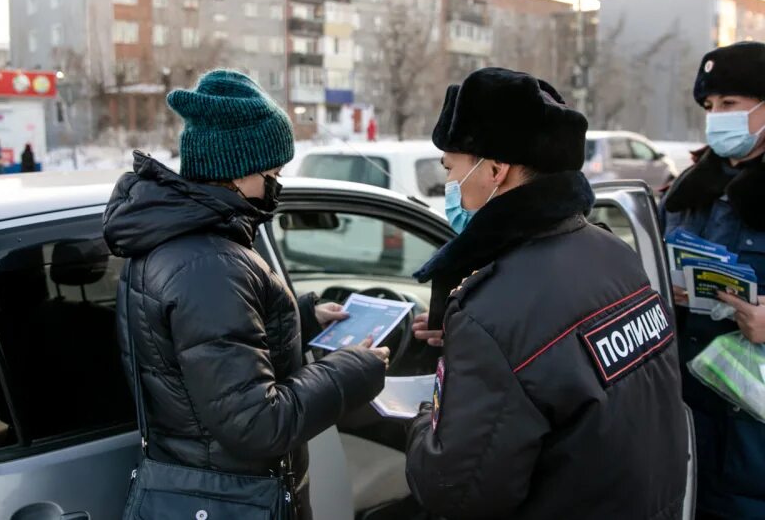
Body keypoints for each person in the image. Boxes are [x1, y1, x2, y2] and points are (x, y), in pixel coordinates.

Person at [103, 70, 389, 519]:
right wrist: (351, 371)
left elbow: (205, 350)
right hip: (235, 500)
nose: (276, 185)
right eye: (271, 173)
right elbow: (257, 424)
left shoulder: (179, 243)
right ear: (234, 171)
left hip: (210, 487)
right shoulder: (211, 266)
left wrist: (302, 317)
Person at [405, 67, 688, 519]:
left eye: (450, 170)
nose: (449, 188)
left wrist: (429, 416)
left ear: (496, 170)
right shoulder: (613, 253)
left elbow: (456, 492)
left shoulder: (494, 310)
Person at [661, 41, 765, 519]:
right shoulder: (688, 190)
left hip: (753, 433)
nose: (715, 116)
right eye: (709, 106)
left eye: (729, 104)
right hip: (685, 415)